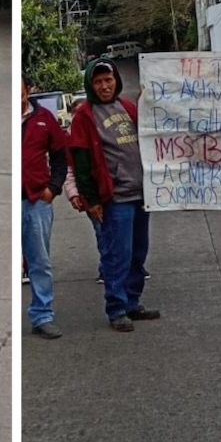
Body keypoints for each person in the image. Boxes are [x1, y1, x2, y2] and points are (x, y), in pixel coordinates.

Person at [69, 57, 159, 332]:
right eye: (98, 82)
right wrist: (91, 201)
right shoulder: (85, 116)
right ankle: (117, 308)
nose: (104, 86)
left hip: (140, 194)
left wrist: (148, 103)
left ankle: (133, 302)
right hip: (115, 198)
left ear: (116, 81)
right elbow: (81, 162)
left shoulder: (127, 107)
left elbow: (150, 129)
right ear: (90, 85)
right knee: (117, 254)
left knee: (137, 253)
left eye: (108, 80)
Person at [21, 76, 67, 339]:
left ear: (28, 91)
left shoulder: (44, 118)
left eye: (20, 89)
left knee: (40, 262)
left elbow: (61, 154)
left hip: (36, 201)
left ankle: (42, 315)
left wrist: (53, 188)